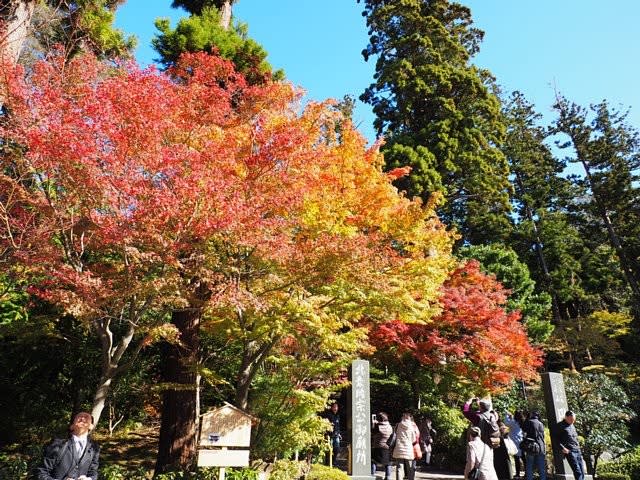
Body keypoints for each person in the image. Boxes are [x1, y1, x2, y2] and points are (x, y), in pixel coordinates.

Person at [35, 411, 100, 480]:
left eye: (86, 417)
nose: (82, 418)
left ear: (91, 426)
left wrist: (89, 479)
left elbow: (93, 473)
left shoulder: (94, 447)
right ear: (72, 426)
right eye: (79, 417)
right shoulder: (58, 443)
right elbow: (42, 472)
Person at [552, 411, 584, 480]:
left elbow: (575, 437)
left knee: (582, 470)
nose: (573, 421)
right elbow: (555, 439)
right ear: (566, 417)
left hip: (577, 450)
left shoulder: (572, 425)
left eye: (574, 420)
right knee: (577, 471)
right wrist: (563, 448)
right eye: (571, 419)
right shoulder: (560, 426)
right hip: (570, 451)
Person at [392, 412, 418, 480]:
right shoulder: (411, 426)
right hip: (408, 449)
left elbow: (395, 435)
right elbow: (414, 439)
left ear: (403, 417)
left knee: (399, 467)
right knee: (410, 468)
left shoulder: (398, 425)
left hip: (399, 448)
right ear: (409, 418)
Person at [521, 411, 546, 480]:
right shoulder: (540, 424)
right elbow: (542, 436)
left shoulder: (528, 422)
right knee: (541, 467)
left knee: (529, 465)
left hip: (531, 447)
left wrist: (526, 419)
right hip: (540, 447)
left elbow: (523, 429)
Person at [371, 412, 394, 480]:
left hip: (378, 446)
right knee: (388, 463)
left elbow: (373, 434)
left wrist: (373, 424)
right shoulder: (390, 426)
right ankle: (388, 476)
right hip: (387, 446)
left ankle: (372, 475)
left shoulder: (377, 426)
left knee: (373, 461)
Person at [503, 411, 525, 478]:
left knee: (517, 458)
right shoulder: (522, 422)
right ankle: (528, 473)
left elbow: (506, 423)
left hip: (515, 442)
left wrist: (507, 415)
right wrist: (511, 417)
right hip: (521, 441)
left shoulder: (514, 422)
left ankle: (517, 474)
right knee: (523, 458)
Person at [325, 402, 342, 467]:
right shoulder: (329, 415)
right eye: (334, 407)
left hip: (336, 435)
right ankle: (328, 463)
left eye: (336, 407)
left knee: (337, 449)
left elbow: (338, 426)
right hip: (330, 435)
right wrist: (326, 434)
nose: (335, 408)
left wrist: (339, 433)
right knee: (329, 449)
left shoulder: (337, 416)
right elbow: (326, 425)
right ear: (332, 408)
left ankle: (333, 462)